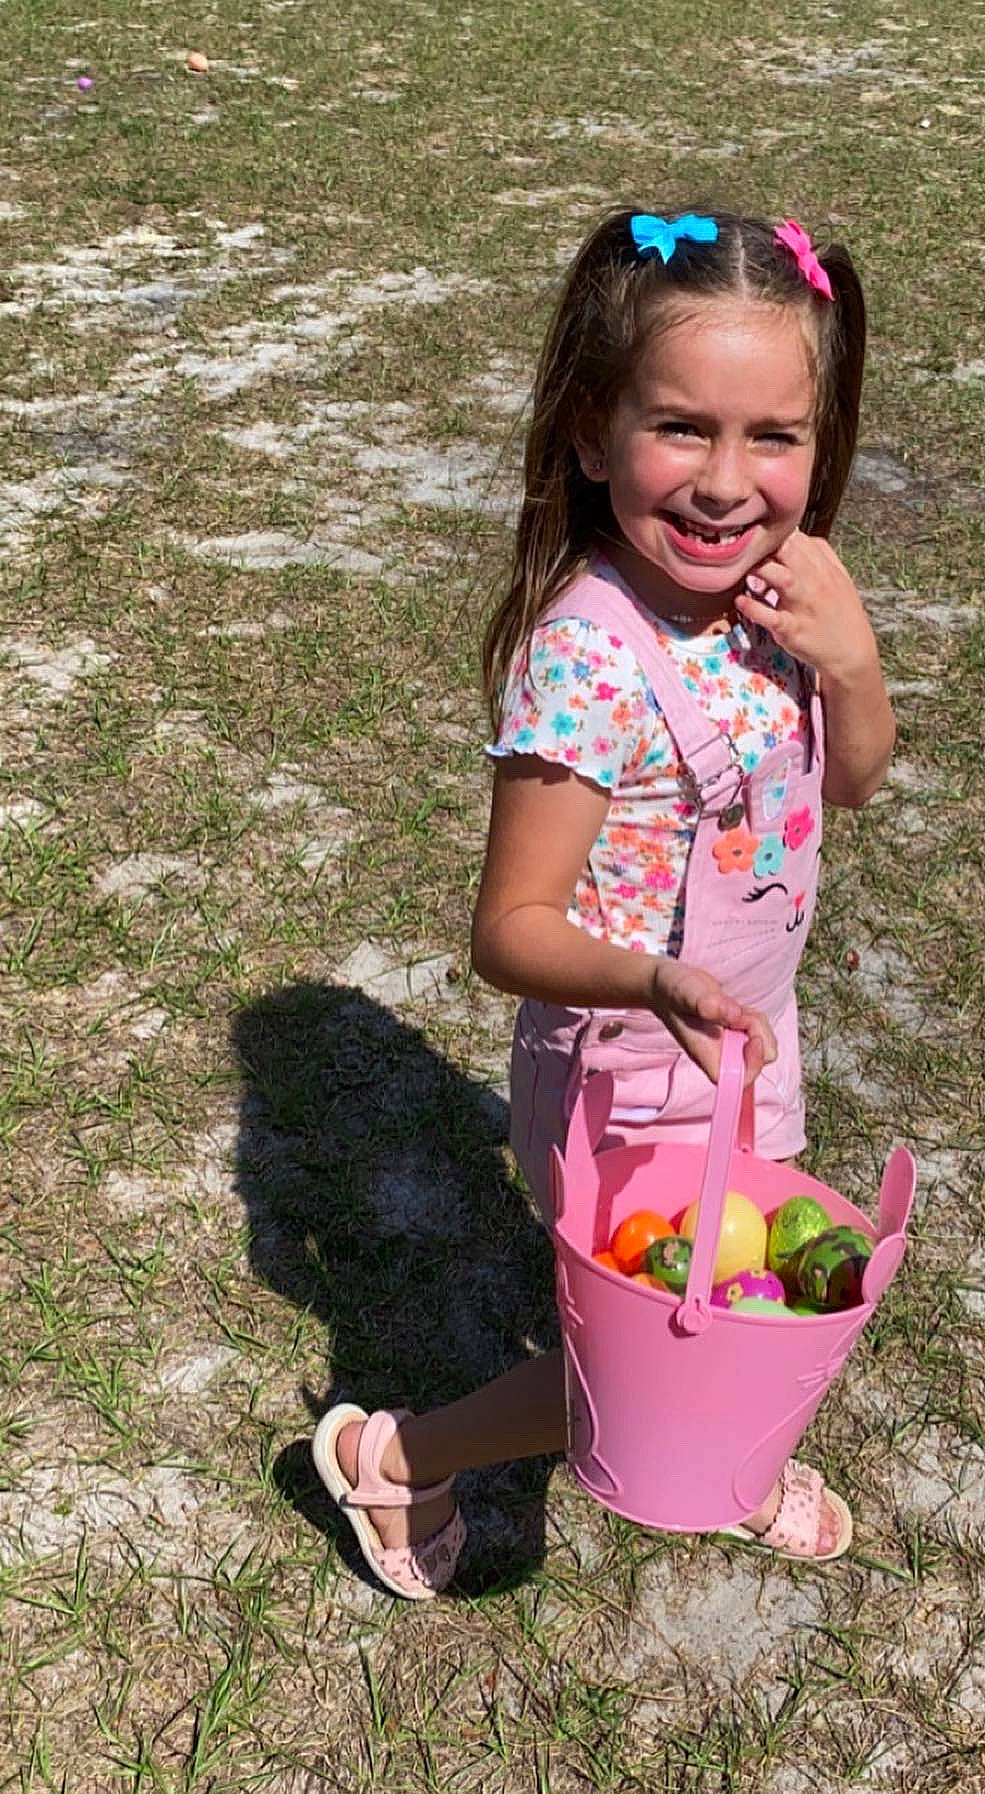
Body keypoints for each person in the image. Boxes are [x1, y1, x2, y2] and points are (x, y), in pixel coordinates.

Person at [312, 206, 895, 1599]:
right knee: (635, 1373)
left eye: (776, 438)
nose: (727, 481)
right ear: (590, 430)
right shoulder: (590, 658)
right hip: (628, 1067)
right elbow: (507, 928)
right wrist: (650, 982)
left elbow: (854, 778)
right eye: (680, 426)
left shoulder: (781, 599)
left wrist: (853, 659)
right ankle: (398, 1459)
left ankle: (720, 1451)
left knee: (731, 1302)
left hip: (741, 1042)